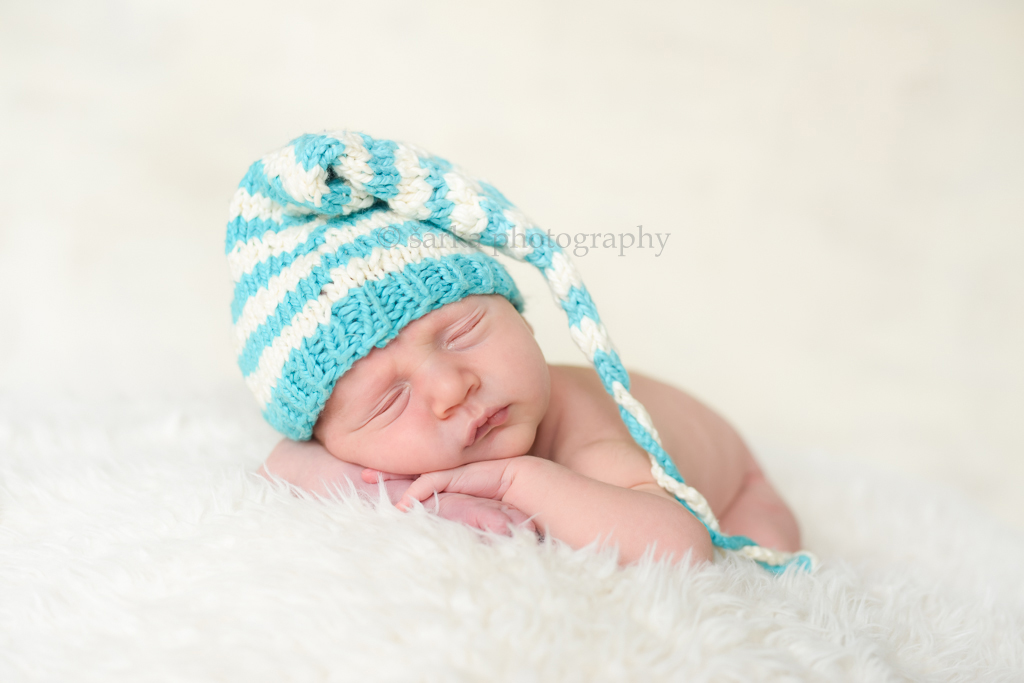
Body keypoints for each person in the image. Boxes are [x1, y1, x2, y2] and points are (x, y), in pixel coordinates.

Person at [228, 131, 814, 571]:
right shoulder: (336, 441)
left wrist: (515, 481)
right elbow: (283, 466)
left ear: (521, 318)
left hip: (740, 487)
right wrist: (396, 491)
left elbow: (678, 544)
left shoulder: (581, 430)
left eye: (462, 333)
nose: (453, 386)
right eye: (390, 399)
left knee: (761, 572)